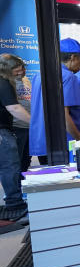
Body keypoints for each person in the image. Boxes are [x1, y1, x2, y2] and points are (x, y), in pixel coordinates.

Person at [29, 38, 80, 163]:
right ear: (73, 57)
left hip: (42, 143)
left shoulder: (40, 74)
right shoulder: (68, 77)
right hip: (64, 144)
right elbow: (63, 115)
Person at [0, 54, 31, 221]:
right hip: (3, 133)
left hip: (5, 131)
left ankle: (14, 202)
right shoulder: (3, 83)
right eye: (16, 68)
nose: (20, 71)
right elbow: (14, 108)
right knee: (10, 168)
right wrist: (35, 124)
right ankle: (15, 206)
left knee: (9, 168)